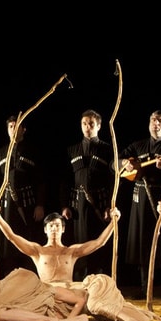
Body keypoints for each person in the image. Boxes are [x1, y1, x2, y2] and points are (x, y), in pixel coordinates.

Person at [0, 203, 161, 321]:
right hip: (51, 292)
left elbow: (99, 243)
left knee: (99, 297)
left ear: (63, 229)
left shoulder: (71, 251)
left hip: (73, 290)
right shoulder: (37, 251)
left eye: (57, 225)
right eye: (51, 226)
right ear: (45, 230)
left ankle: (138, 314)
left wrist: (114, 222)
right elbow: (12, 236)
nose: (54, 229)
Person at [119, 110, 161, 300]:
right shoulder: (137, 145)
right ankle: (144, 287)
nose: (156, 124)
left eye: (160, 121)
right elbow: (116, 162)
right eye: (153, 120)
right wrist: (124, 163)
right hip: (142, 196)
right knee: (143, 240)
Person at [60, 109, 116, 281]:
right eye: (84, 124)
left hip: (99, 204)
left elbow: (113, 181)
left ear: (98, 126)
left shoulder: (108, 149)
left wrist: (109, 206)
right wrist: (64, 206)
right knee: (79, 242)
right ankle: (80, 281)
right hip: (77, 205)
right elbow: (65, 180)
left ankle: (98, 282)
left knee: (98, 242)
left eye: (91, 124)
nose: (87, 127)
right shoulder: (72, 150)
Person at [0, 115, 47, 273]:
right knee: (6, 243)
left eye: (17, 126)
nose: (13, 129)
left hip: (27, 204)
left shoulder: (34, 151)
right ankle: (7, 278)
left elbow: (41, 181)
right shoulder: (0, 153)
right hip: (6, 206)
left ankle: (28, 278)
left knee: (27, 242)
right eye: (11, 126)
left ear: (24, 130)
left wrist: (40, 205)